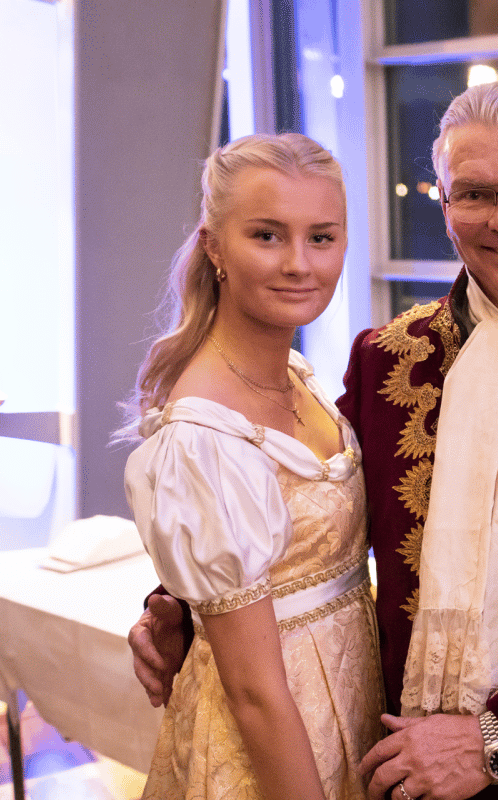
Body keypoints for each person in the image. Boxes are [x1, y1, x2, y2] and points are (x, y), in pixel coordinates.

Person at [130, 82, 498, 800]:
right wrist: (175, 601)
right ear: (444, 206)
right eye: (475, 193)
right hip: (391, 760)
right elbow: (302, 512)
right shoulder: (388, 358)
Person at [123, 133, 383, 800]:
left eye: (321, 237)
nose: (299, 263)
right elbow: (253, 691)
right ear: (215, 245)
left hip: (350, 700)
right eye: (267, 236)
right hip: (273, 745)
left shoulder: (298, 377)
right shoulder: (203, 434)